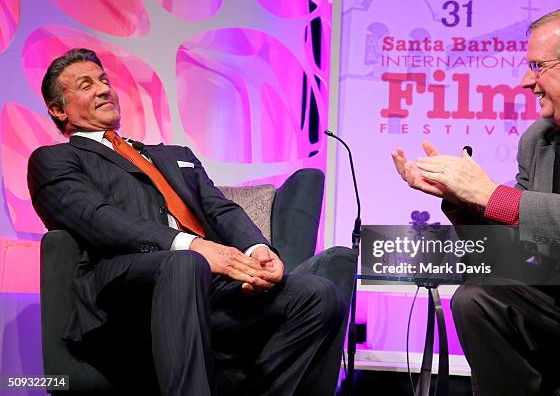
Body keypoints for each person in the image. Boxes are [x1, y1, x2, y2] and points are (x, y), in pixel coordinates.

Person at [28, 48, 348, 396]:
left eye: (104, 80)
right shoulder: (56, 160)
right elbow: (96, 218)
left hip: (212, 287)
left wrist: (257, 250)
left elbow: (220, 210)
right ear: (59, 110)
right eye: (86, 84)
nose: (104, 89)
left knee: (318, 295)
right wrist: (193, 246)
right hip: (129, 294)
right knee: (184, 263)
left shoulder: (175, 156)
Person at [392, 6, 560, 395]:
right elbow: (511, 249)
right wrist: (464, 202)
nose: (528, 81)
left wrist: (489, 193)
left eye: (538, 66)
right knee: (478, 298)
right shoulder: (539, 140)